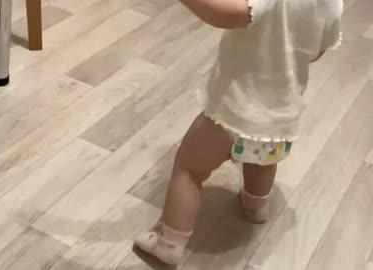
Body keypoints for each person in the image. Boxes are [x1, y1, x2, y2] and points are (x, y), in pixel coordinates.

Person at [134, 0, 344, 265]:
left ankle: (169, 243)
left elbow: (230, 13)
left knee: (189, 168)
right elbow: (318, 51)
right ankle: (257, 207)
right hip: (280, 119)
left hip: (233, 113)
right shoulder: (332, 3)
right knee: (263, 163)